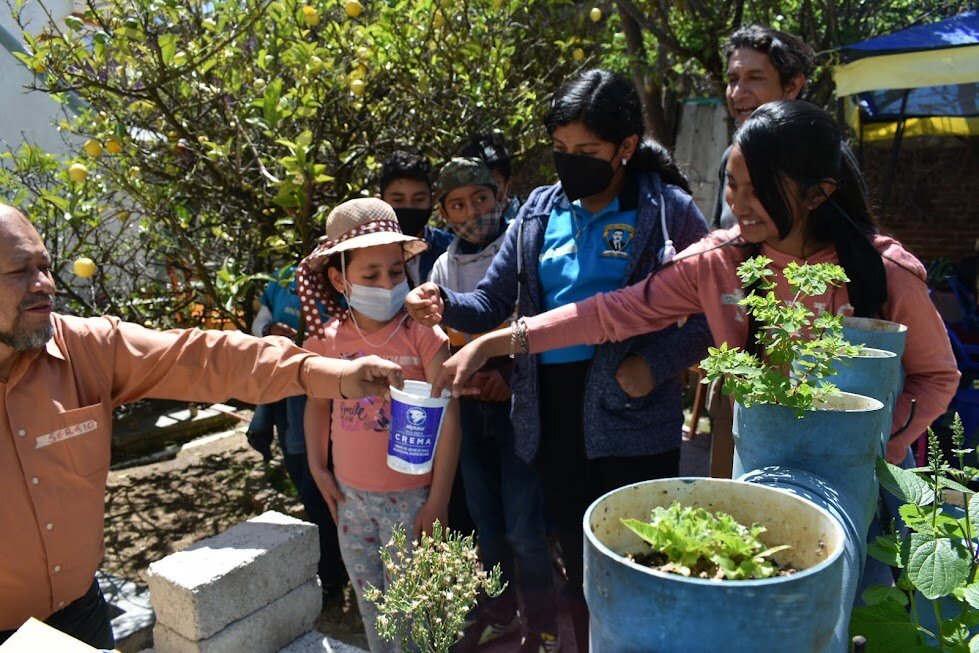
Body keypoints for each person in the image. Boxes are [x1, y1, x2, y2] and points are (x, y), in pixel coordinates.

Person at [427, 100, 959, 472]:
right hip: (760, 466)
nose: (738, 204)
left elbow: (937, 377)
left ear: (818, 194)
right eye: (733, 184)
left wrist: (873, 442)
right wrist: (495, 342)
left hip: (863, 474)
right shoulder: (718, 263)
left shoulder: (884, 273)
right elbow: (610, 313)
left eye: (759, 190)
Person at [0, 204, 404, 648]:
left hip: (81, 617)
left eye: (45, 266)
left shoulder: (85, 348)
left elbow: (204, 358)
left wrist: (334, 374)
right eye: (20, 270)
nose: (44, 284)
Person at [406, 69, 712, 651]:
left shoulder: (666, 209)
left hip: (633, 414)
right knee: (578, 559)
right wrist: (442, 301)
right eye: (560, 149)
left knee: (644, 554)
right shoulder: (541, 211)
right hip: (549, 414)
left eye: (587, 151)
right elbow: (493, 301)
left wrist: (653, 365)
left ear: (625, 148)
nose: (570, 163)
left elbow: (711, 314)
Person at [296, 198, 460, 653]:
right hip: (350, 500)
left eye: (395, 271)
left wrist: (440, 500)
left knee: (415, 613)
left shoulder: (424, 335)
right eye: (370, 275)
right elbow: (316, 404)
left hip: (414, 499)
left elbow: (449, 418)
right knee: (374, 608)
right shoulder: (326, 341)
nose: (387, 284)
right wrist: (317, 468)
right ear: (337, 278)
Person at [429, 158, 558, 652]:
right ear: (444, 213)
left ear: (500, 196)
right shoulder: (444, 266)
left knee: (526, 527)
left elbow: (535, 322)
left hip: (515, 408)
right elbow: (448, 335)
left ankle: (543, 625)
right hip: (468, 409)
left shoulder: (519, 247)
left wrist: (507, 377)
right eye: (458, 204)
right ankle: (502, 614)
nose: (472, 211)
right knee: (488, 524)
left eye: (480, 199)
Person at [247, 264, 346, 601]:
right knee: (309, 489)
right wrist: (270, 330)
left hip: (333, 414)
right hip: (290, 409)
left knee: (329, 494)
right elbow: (260, 323)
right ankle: (332, 575)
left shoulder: (346, 280)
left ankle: (336, 573)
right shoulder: (284, 278)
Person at [712, 24, 814, 230]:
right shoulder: (732, 158)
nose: (737, 93)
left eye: (755, 78)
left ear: (792, 86)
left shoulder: (822, 157)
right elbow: (718, 233)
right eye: (733, 80)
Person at [378, 150, 454, 284]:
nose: (409, 207)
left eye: (419, 199)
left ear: (433, 199)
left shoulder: (452, 249)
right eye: (398, 200)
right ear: (381, 201)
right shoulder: (365, 253)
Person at [459, 132, 522, 223]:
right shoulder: (461, 229)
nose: (486, 191)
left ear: (508, 183)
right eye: (477, 184)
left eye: (494, 183)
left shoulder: (528, 219)